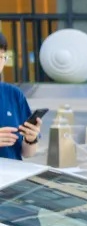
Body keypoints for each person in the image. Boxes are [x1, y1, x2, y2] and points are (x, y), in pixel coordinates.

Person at [0, 33, 41, 161]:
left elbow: (27, 153)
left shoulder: (14, 94)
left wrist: (31, 139)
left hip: (13, 172)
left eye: (1, 57)